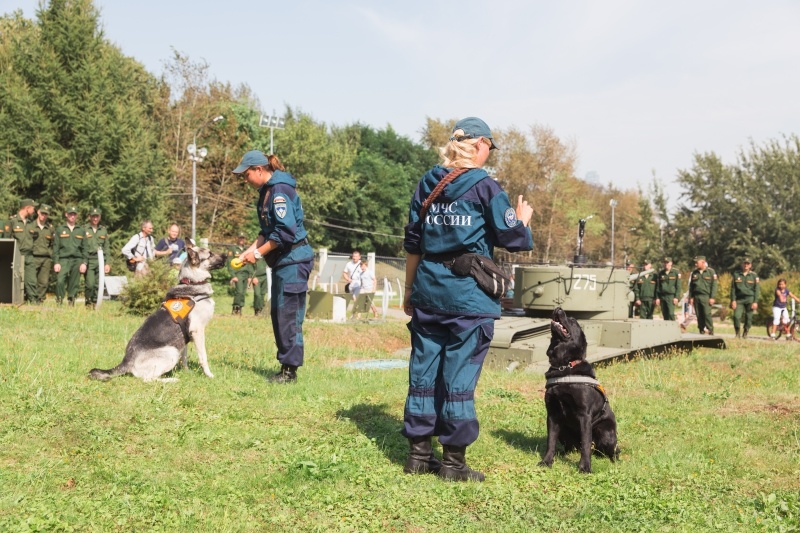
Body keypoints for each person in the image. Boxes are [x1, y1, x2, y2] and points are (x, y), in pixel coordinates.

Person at [401, 117, 534, 482]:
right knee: (458, 377)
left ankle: (418, 456)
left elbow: (413, 243)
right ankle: (454, 465)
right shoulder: (485, 187)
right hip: (467, 298)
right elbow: (514, 239)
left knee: (424, 372)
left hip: (428, 291)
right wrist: (522, 219)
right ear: (479, 146)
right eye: (490, 146)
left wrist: (409, 290)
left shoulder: (428, 182)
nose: (490, 153)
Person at [233, 150, 314, 383]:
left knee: (289, 315)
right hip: (283, 261)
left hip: (294, 260)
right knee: (279, 314)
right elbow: (266, 232)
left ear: (259, 169)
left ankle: (290, 372)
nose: (245, 180)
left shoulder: (279, 191)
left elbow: (284, 233)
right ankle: (286, 367)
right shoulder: (267, 192)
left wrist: (257, 253)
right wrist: (249, 251)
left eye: (246, 174)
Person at [3, 198, 37, 302]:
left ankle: (33, 301)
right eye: (33, 208)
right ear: (27, 208)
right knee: (15, 280)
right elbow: (6, 240)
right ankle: (13, 300)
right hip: (17, 255)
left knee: (31, 280)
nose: (34, 210)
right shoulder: (12, 221)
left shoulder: (31, 223)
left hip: (29, 255)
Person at [53, 206, 85, 306]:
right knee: (60, 280)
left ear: (77, 216)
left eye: (74, 214)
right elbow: (56, 247)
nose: (72, 216)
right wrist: (56, 262)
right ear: (66, 214)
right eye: (70, 214)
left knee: (74, 282)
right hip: (63, 259)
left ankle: (71, 300)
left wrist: (84, 263)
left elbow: (85, 248)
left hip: (77, 259)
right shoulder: (60, 229)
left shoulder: (81, 230)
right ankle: (59, 300)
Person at [24, 204, 55, 304]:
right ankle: (29, 298)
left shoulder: (50, 228)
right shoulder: (30, 225)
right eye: (42, 213)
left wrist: (51, 254)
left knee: (43, 282)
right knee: (31, 280)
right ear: (38, 212)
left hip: (46, 258)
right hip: (33, 256)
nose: (43, 216)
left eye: (46, 214)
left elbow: (53, 244)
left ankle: (40, 300)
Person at [82, 207, 111, 309]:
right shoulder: (84, 229)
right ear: (89, 217)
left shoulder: (103, 230)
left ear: (100, 217)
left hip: (101, 261)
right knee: (90, 284)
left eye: (97, 216)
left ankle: (95, 303)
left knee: (98, 284)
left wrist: (107, 263)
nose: (95, 219)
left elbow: (107, 248)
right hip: (89, 259)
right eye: (93, 216)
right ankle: (88, 303)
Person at [730, 258, 760, 338]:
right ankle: (737, 332)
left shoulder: (754, 275)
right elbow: (733, 289)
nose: (746, 265)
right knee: (736, 316)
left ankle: (746, 331)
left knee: (749, 317)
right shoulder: (736, 274)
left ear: (750, 265)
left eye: (748, 264)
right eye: (744, 263)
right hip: (739, 299)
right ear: (742, 264)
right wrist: (733, 300)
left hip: (750, 299)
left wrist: (755, 301)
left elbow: (757, 289)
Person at [688, 255, 718, 334]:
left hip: (706, 296)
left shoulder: (711, 272)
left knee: (707, 314)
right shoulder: (694, 273)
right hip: (696, 296)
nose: (695, 264)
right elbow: (691, 286)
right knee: (699, 314)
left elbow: (714, 285)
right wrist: (691, 297)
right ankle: (701, 330)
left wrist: (712, 297)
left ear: (703, 262)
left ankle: (710, 330)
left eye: (697, 262)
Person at [227, 233, 253, 315]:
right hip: (238, 273)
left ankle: (240, 308)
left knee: (243, 292)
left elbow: (249, 263)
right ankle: (236, 307)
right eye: (240, 238)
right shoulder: (233, 249)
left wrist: (250, 276)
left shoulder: (247, 249)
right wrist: (233, 276)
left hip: (246, 273)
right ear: (237, 239)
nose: (242, 240)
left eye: (243, 238)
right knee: (239, 291)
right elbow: (229, 263)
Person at [655, 257, 681, 321]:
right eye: (665, 263)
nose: (666, 264)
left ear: (671, 263)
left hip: (671, 296)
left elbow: (678, 286)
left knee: (671, 314)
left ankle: (673, 328)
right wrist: (657, 297)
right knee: (665, 314)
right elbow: (658, 286)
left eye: (667, 262)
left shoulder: (675, 272)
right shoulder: (661, 273)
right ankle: (667, 329)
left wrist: (676, 297)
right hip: (663, 296)